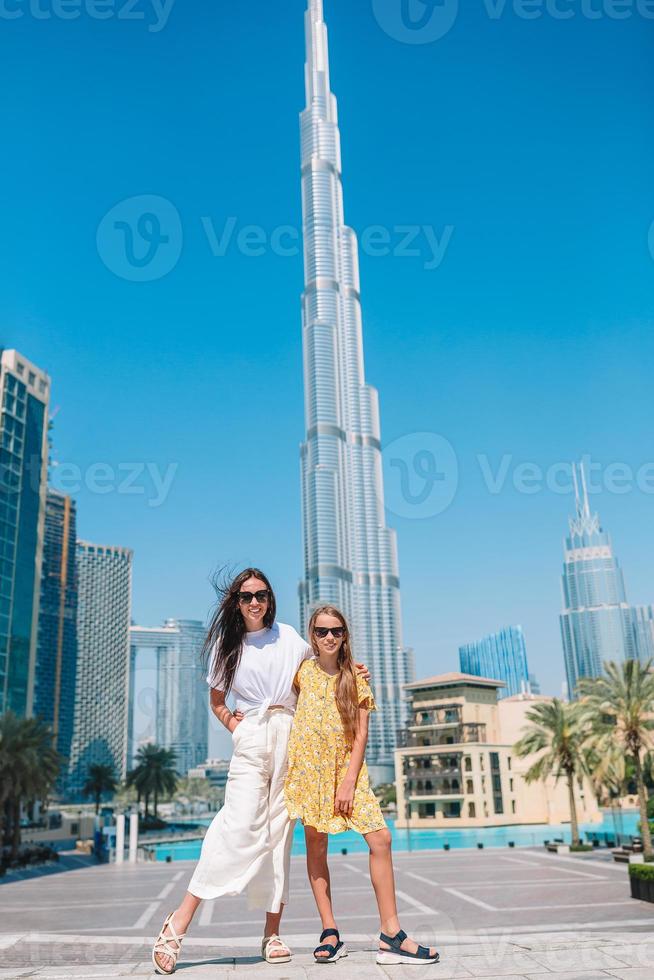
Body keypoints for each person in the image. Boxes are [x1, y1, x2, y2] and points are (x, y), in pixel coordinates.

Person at [151, 570, 370, 975]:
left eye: (262, 595)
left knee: (279, 836)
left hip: (293, 736)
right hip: (252, 736)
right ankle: (179, 921)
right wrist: (238, 727)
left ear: (270, 599)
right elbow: (217, 701)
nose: (255, 602)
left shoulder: (289, 637)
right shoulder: (226, 646)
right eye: (247, 596)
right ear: (236, 602)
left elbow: (324, 664)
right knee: (236, 825)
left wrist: (352, 669)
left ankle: (272, 933)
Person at [284, 605, 440, 966]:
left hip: (346, 773)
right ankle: (329, 931)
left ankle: (391, 933)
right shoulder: (302, 672)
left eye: (336, 631)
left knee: (380, 838)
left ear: (345, 636)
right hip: (309, 774)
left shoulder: (355, 677)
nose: (329, 638)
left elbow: (362, 734)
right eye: (322, 631)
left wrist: (349, 782)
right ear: (312, 636)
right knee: (316, 845)